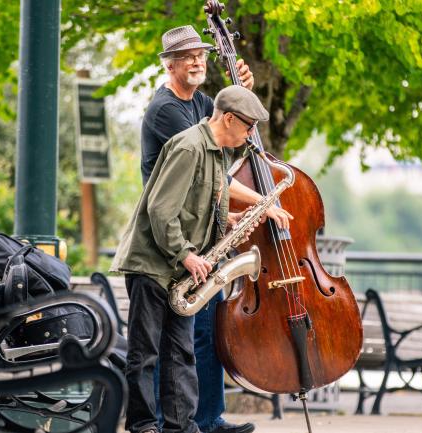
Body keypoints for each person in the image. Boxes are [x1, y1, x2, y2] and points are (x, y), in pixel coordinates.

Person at [141, 26, 292, 433]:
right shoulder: (166, 111)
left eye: (201, 55)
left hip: (198, 235)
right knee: (174, 343)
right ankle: (169, 422)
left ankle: (206, 418)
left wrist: (243, 92)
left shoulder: (202, 102)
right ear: (169, 65)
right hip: (171, 241)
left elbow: (229, 132)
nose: (196, 62)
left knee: (202, 334)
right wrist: (259, 203)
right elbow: (212, 172)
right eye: (187, 56)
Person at [111, 84, 272, 433]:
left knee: (181, 353)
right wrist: (187, 255)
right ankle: (143, 427)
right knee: (146, 353)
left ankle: (181, 428)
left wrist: (228, 222)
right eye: (247, 128)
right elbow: (160, 209)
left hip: (179, 272)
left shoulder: (216, 152)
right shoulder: (188, 146)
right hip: (154, 265)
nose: (249, 137)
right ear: (228, 118)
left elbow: (195, 203)